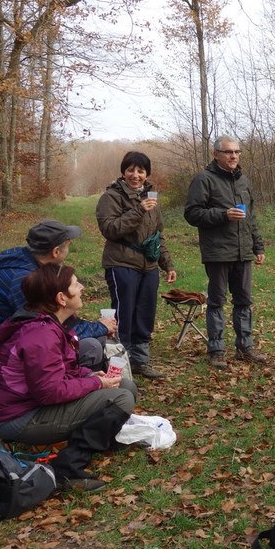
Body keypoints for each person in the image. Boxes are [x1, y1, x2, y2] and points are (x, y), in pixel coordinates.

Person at [0, 264, 137, 492]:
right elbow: (50, 392)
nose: (82, 287)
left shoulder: (52, 324)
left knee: (125, 385)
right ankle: (67, 468)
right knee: (121, 398)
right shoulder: (41, 335)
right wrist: (95, 383)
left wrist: (89, 374)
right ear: (61, 298)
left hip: (30, 405)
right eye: (76, 285)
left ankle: (105, 439)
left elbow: (60, 371)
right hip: (18, 418)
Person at [0, 220, 116, 390]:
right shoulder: (24, 281)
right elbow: (52, 326)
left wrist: (98, 328)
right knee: (90, 346)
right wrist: (99, 327)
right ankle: (70, 395)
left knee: (94, 337)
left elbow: (56, 319)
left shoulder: (26, 265)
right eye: (68, 247)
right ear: (56, 252)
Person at [184, 136, 266, 369]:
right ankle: (217, 350)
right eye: (228, 152)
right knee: (217, 302)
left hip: (243, 252)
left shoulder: (244, 181)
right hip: (218, 252)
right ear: (216, 154)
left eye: (237, 152)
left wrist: (257, 246)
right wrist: (223, 214)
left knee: (244, 301)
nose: (234, 156)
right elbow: (191, 213)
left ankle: (245, 347)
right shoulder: (204, 180)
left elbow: (251, 218)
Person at [96, 151, 178, 380]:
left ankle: (141, 361)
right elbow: (110, 229)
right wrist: (139, 209)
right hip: (121, 263)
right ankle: (121, 365)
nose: (135, 175)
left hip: (149, 266)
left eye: (140, 171)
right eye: (131, 170)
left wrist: (167, 264)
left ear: (146, 174)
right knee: (124, 313)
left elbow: (157, 235)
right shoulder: (111, 197)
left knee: (145, 313)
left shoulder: (152, 199)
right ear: (123, 172)